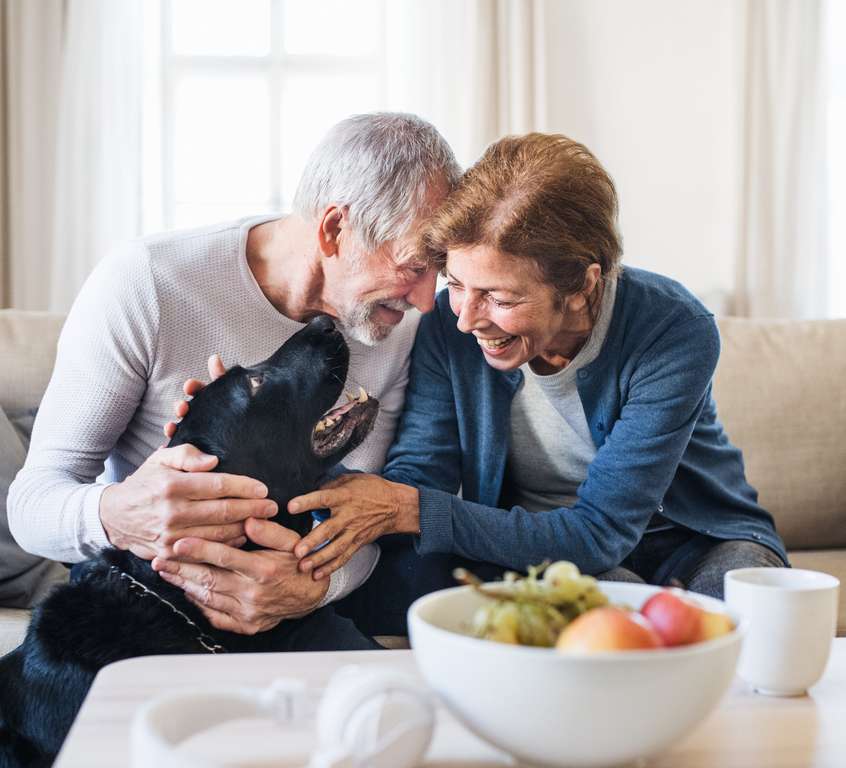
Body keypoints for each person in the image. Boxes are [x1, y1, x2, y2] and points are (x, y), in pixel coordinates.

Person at [276, 132, 787, 633]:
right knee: (597, 622)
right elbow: (420, 475)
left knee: (750, 614)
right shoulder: (446, 327)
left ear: (583, 285)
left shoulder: (673, 329)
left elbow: (600, 532)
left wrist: (410, 508)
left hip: (698, 539)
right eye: (456, 283)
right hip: (536, 549)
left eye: (500, 298)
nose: (466, 319)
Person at [7, 112, 460, 648]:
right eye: (413, 266)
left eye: (440, 268)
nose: (427, 300)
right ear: (335, 229)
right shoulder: (148, 282)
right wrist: (119, 513)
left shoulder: (397, 326)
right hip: (141, 597)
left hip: (292, 603)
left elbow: (359, 519)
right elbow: (31, 506)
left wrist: (313, 587)